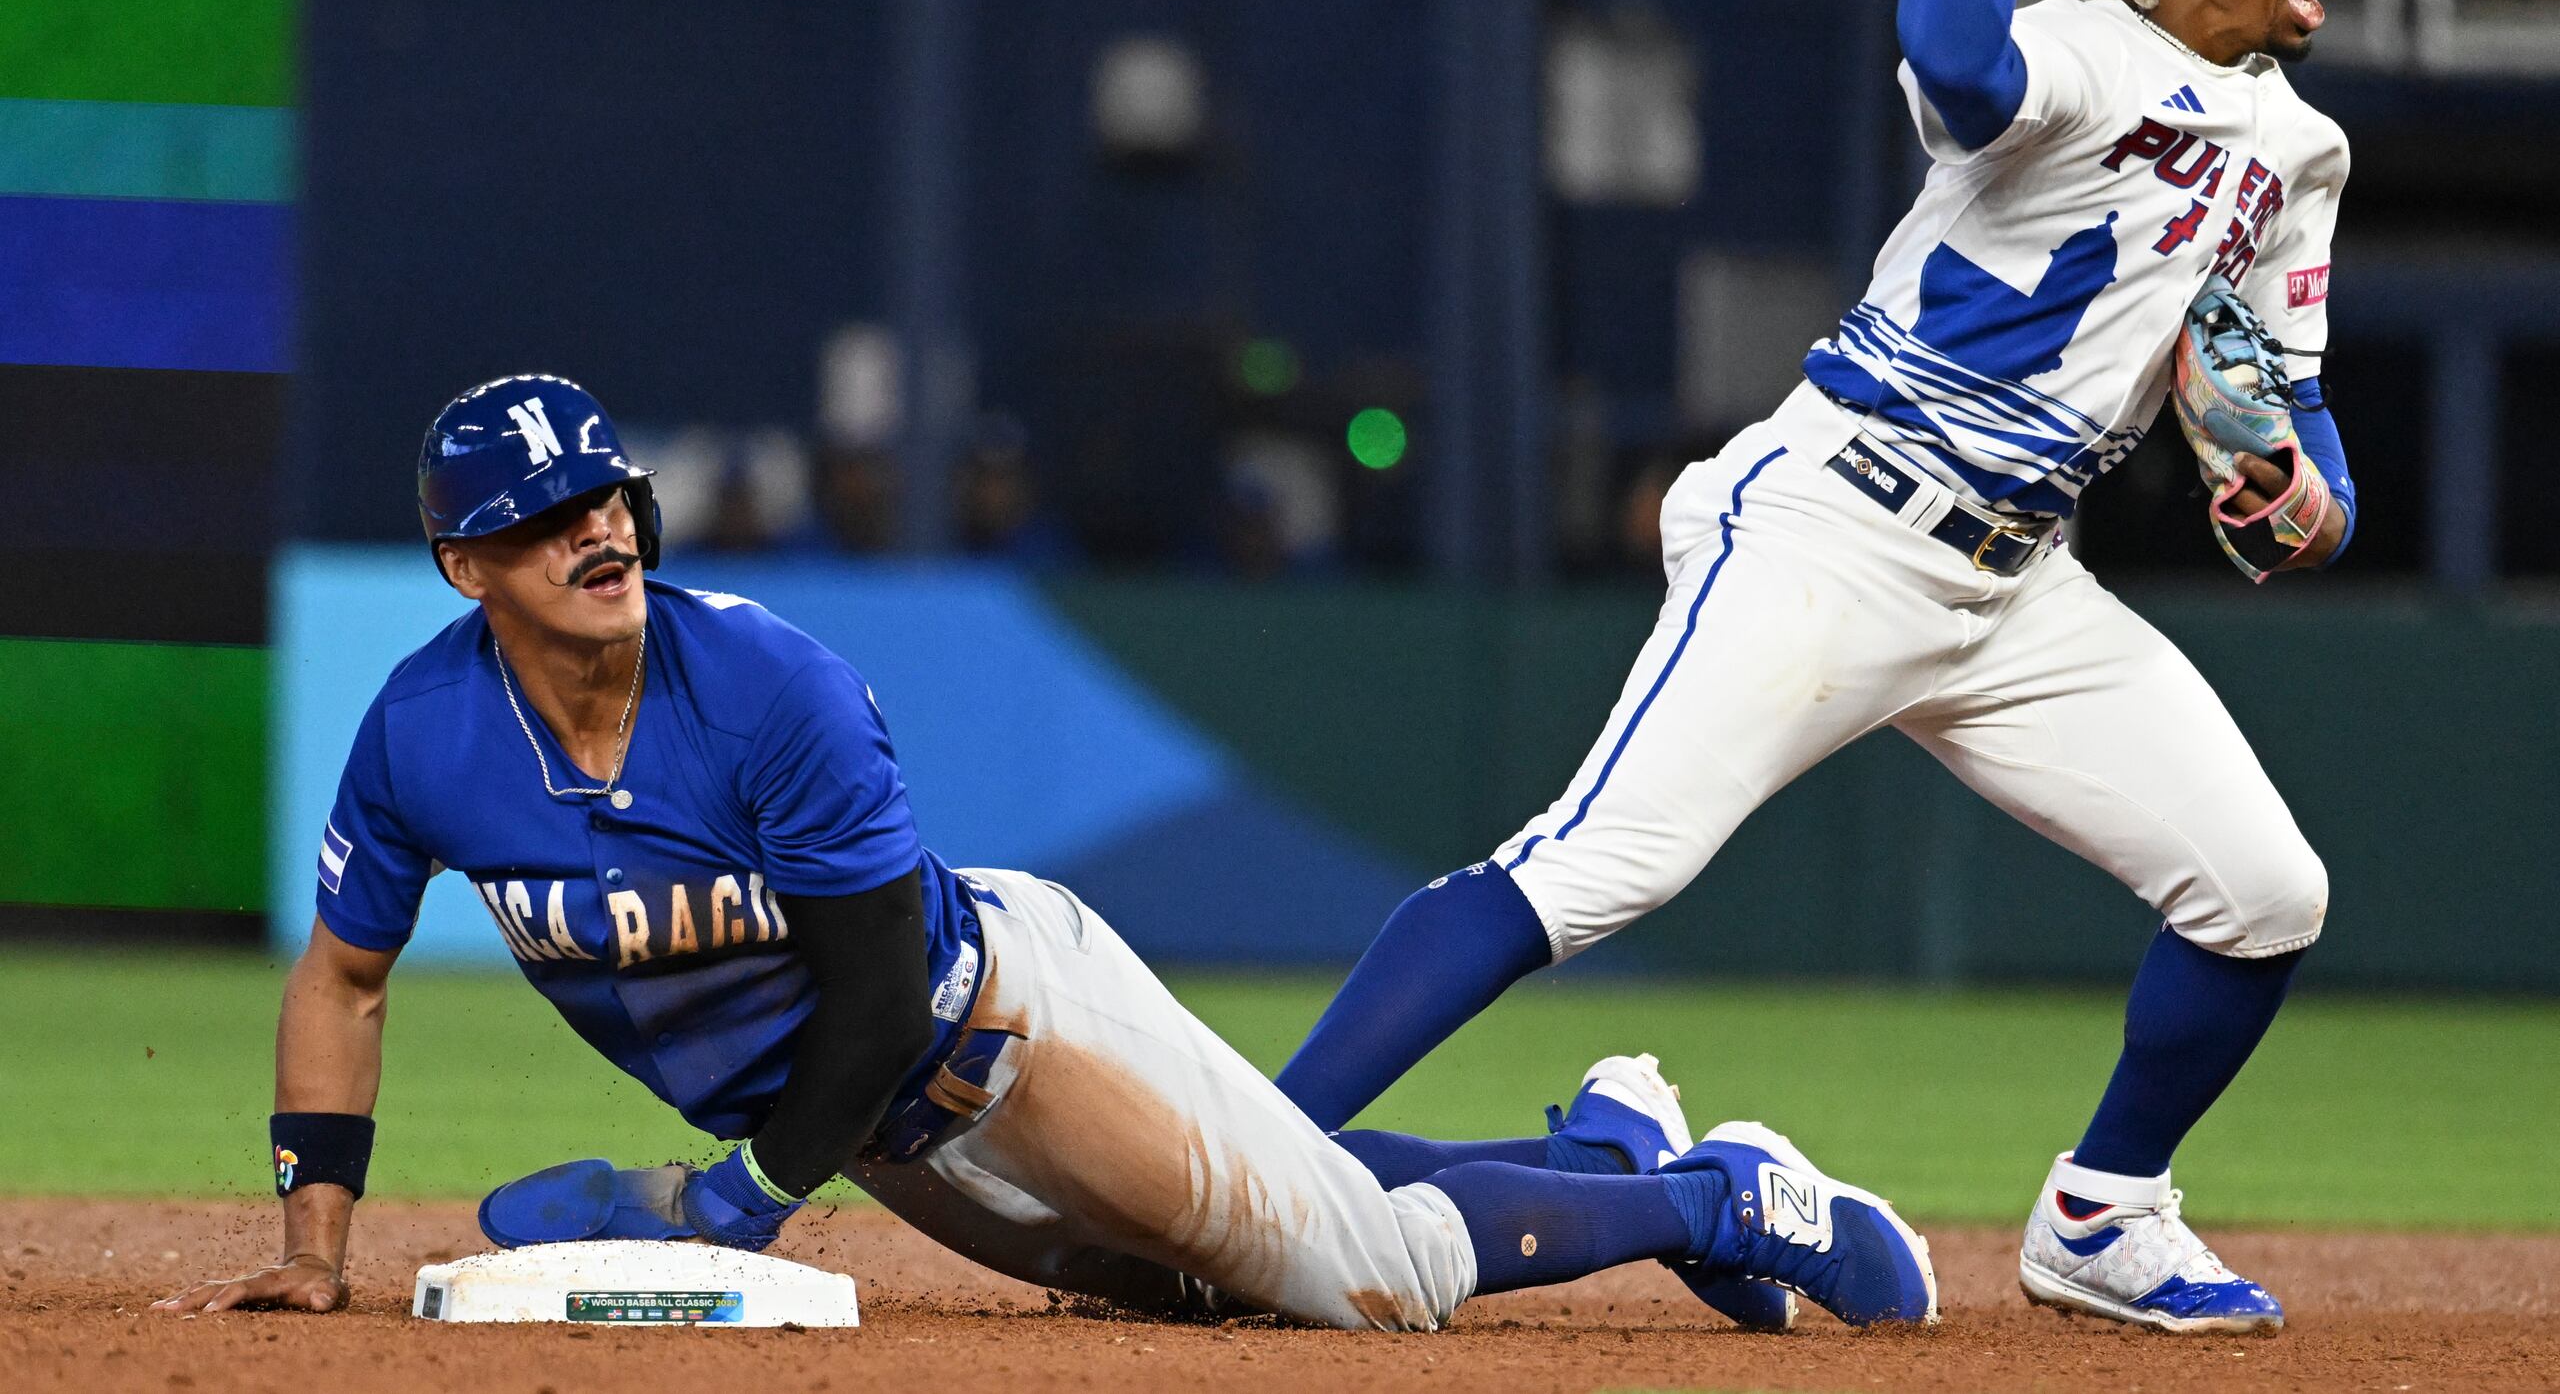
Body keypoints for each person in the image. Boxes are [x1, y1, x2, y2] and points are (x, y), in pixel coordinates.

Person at [1273, 0, 2371, 1339]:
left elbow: (2288, 386)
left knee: (2267, 890)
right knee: (1597, 870)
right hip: (1838, 524)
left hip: (2018, 585)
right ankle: (1256, 1151)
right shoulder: (2082, 54)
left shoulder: (2300, 144)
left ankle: (2105, 1215)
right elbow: (1953, 54)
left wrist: (2314, 496)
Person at [154, 374, 1935, 1334]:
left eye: (607, 494)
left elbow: (862, 994)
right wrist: (316, 1246)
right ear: (468, 568)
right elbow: (347, 974)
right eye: (540, 520)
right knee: (1207, 1278)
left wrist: (739, 1206)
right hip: (881, 1137)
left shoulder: (766, 684)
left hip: (998, 1025)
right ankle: (1602, 1142)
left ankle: (1721, 1202)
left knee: (1366, 1291)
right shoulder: (424, 736)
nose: (595, 528)